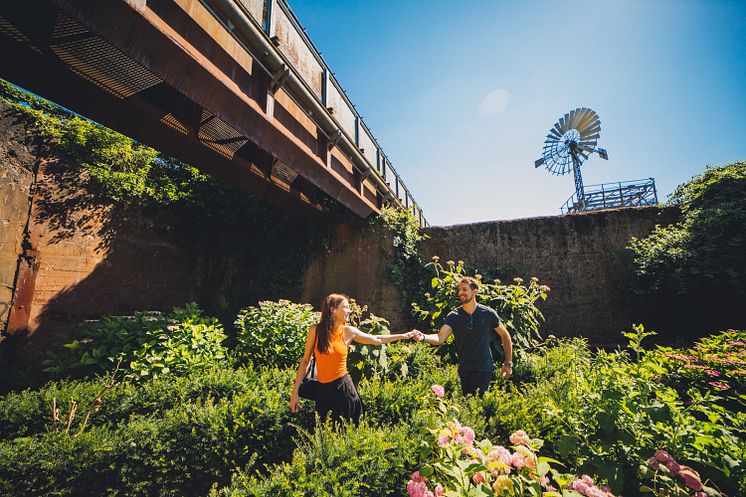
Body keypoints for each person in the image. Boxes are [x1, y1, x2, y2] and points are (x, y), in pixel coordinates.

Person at [290, 293, 417, 422]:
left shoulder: (348, 331)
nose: (349, 311)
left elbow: (376, 339)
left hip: (342, 390)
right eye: (345, 307)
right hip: (323, 391)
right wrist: (295, 393)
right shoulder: (315, 330)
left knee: (343, 433)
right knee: (322, 434)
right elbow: (305, 361)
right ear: (333, 309)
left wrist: (403, 336)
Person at [412, 276, 513, 396]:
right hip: (464, 369)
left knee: (477, 405)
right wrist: (423, 337)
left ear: (474, 291)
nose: (460, 293)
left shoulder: (488, 314)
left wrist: (508, 363)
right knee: (468, 404)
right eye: (459, 290)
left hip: (483, 368)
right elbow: (440, 338)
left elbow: (505, 335)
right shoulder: (454, 316)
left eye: (464, 289)